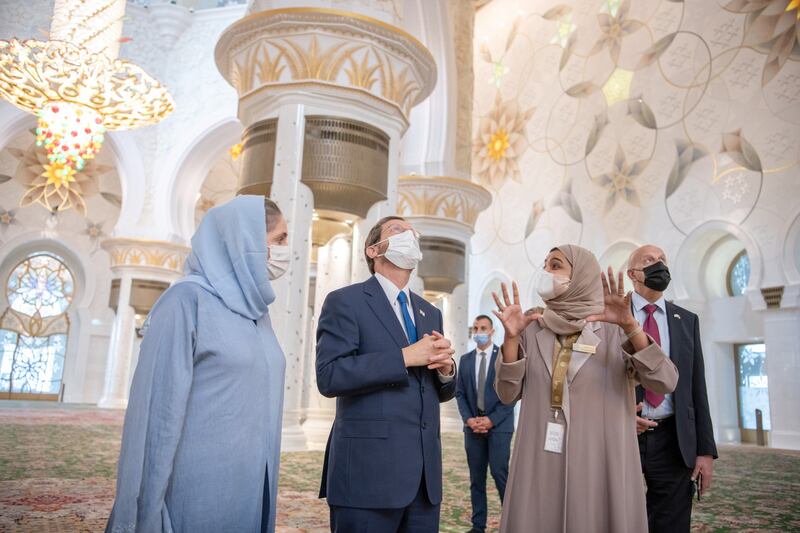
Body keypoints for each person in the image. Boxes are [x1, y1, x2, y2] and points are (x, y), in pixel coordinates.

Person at [106, 195, 290, 533]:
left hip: (250, 485)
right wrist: (147, 511)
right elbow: (154, 416)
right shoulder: (185, 300)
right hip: (196, 491)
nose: (285, 251)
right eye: (279, 239)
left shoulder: (257, 312)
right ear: (245, 241)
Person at [492, 244, 678, 533]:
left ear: (580, 275)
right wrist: (511, 340)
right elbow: (506, 394)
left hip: (600, 462)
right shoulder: (531, 327)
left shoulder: (616, 327)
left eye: (555, 265)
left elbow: (665, 381)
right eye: (545, 265)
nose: (546, 272)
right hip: (541, 458)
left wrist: (631, 327)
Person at [316, 216, 457, 533]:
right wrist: (404, 357)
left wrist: (447, 371)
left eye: (413, 232)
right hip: (368, 475)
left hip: (423, 481)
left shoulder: (429, 311)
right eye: (398, 230)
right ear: (373, 250)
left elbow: (435, 389)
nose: (409, 234)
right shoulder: (345, 302)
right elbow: (330, 375)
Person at [628, 244, 717, 533]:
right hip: (623, 434)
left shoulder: (686, 320)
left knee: (671, 522)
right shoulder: (612, 316)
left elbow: (696, 387)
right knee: (619, 517)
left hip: (674, 437)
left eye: (662, 260)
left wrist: (705, 450)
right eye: (649, 260)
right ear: (633, 273)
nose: (659, 265)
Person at [456, 314, 515, 533]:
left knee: (500, 473)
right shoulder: (466, 360)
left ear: (492, 331)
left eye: (484, 328)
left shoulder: (505, 357)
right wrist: (469, 419)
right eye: (476, 328)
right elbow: (459, 393)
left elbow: (511, 395)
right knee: (476, 478)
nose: (479, 332)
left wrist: (491, 420)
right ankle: (477, 526)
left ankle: (511, 523)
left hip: (499, 425)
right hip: (473, 427)